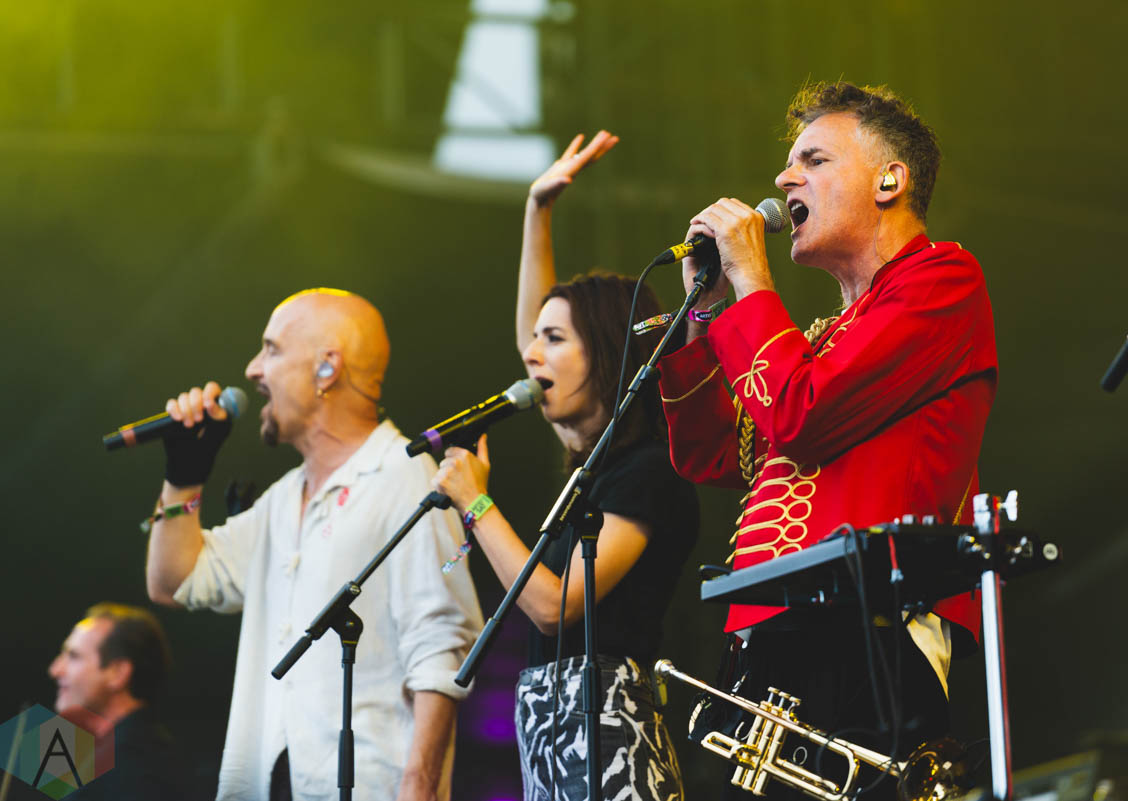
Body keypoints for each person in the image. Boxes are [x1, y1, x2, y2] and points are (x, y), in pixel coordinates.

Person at [658, 82, 998, 799]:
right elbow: (713, 452)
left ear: (888, 180)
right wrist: (704, 316)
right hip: (771, 637)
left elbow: (801, 416)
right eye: (790, 163)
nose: (785, 179)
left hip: (868, 633)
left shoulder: (942, 280)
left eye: (813, 160)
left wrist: (752, 279)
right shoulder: (820, 337)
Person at [432, 132, 699, 801]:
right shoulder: (592, 469)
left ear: (602, 357)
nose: (532, 355)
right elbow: (535, 338)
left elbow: (555, 607)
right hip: (553, 740)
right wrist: (537, 211)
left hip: (612, 741)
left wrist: (477, 503)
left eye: (554, 340)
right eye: (536, 340)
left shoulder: (646, 470)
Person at [143, 288, 484, 801]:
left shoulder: (406, 477)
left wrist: (418, 789)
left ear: (327, 368)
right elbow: (174, 581)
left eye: (272, 349)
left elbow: (440, 649)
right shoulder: (282, 500)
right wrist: (182, 478)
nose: (253, 369)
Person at [48, 603, 192, 800]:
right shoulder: (117, 753)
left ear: (118, 673)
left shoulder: (135, 763)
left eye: (74, 656)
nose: (55, 670)